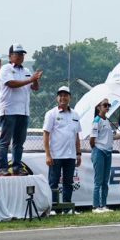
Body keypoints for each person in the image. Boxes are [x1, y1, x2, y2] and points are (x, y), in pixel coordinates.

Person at [0, 44, 42, 176]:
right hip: (9, 110)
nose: (20, 56)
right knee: (5, 142)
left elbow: (35, 88)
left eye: (22, 54)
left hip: (23, 112)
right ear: (10, 56)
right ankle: (3, 168)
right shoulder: (6, 69)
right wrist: (30, 79)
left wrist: (35, 80)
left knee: (19, 142)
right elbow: (11, 84)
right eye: (17, 54)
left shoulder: (26, 70)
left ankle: (17, 167)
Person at [43, 86, 82, 214]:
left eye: (65, 95)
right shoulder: (51, 114)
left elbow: (76, 135)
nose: (63, 97)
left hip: (70, 155)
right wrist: (48, 155)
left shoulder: (75, 114)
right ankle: (54, 208)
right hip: (56, 155)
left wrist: (79, 153)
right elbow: (46, 134)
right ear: (57, 98)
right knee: (53, 183)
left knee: (68, 183)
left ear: (69, 97)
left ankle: (66, 208)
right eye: (60, 95)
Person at [89, 99, 120, 213]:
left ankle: (104, 205)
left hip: (108, 152)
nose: (107, 107)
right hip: (99, 151)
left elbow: (110, 137)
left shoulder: (107, 120)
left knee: (105, 181)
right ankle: (95, 206)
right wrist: (97, 149)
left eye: (109, 105)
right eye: (105, 105)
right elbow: (92, 140)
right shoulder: (96, 120)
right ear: (98, 107)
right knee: (98, 181)